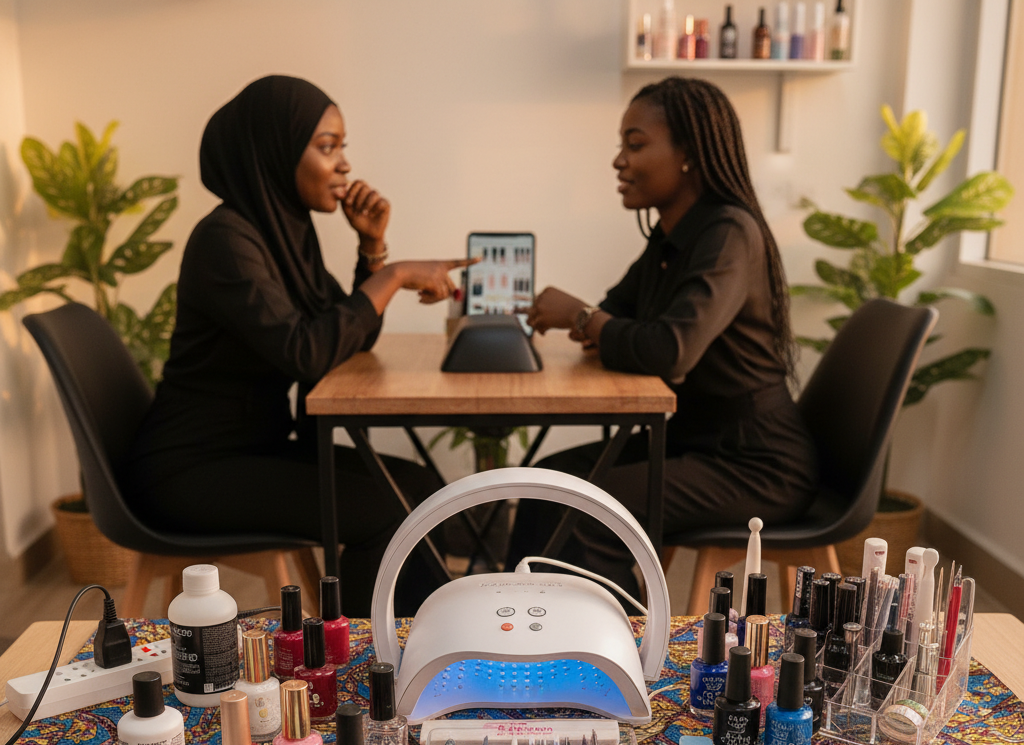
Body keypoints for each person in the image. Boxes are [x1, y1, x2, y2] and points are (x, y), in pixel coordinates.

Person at [121, 76, 472, 616]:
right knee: (386, 508)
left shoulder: (284, 234)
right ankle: (380, 662)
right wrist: (397, 274)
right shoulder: (226, 240)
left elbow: (345, 336)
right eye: (327, 147)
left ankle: (438, 643)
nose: (344, 166)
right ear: (274, 153)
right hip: (190, 471)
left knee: (424, 486)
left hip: (254, 448)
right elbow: (304, 351)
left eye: (342, 147)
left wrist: (372, 249)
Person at [507, 77, 818, 602]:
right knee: (546, 484)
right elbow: (620, 315)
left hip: (754, 461)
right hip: (696, 440)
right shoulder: (671, 238)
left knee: (592, 511)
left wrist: (582, 317)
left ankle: (620, 656)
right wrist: (597, 322)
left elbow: (670, 350)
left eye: (635, 144)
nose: (618, 161)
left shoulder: (729, 233)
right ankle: (520, 627)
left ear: (688, 155)